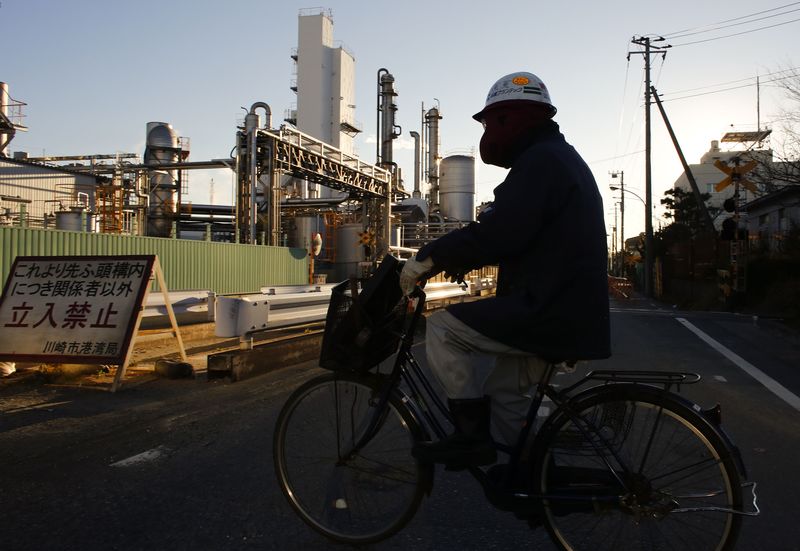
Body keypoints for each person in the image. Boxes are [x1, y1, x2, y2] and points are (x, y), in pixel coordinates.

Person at [399, 71, 611, 469]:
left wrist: (429, 257)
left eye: (490, 122)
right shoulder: (554, 157)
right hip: (566, 307)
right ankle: (532, 482)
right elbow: (518, 234)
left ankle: (470, 437)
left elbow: (501, 233)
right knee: (506, 393)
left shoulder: (543, 162)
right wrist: (461, 258)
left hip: (550, 309)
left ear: (510, 119)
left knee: (444, 329)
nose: (487, 132)